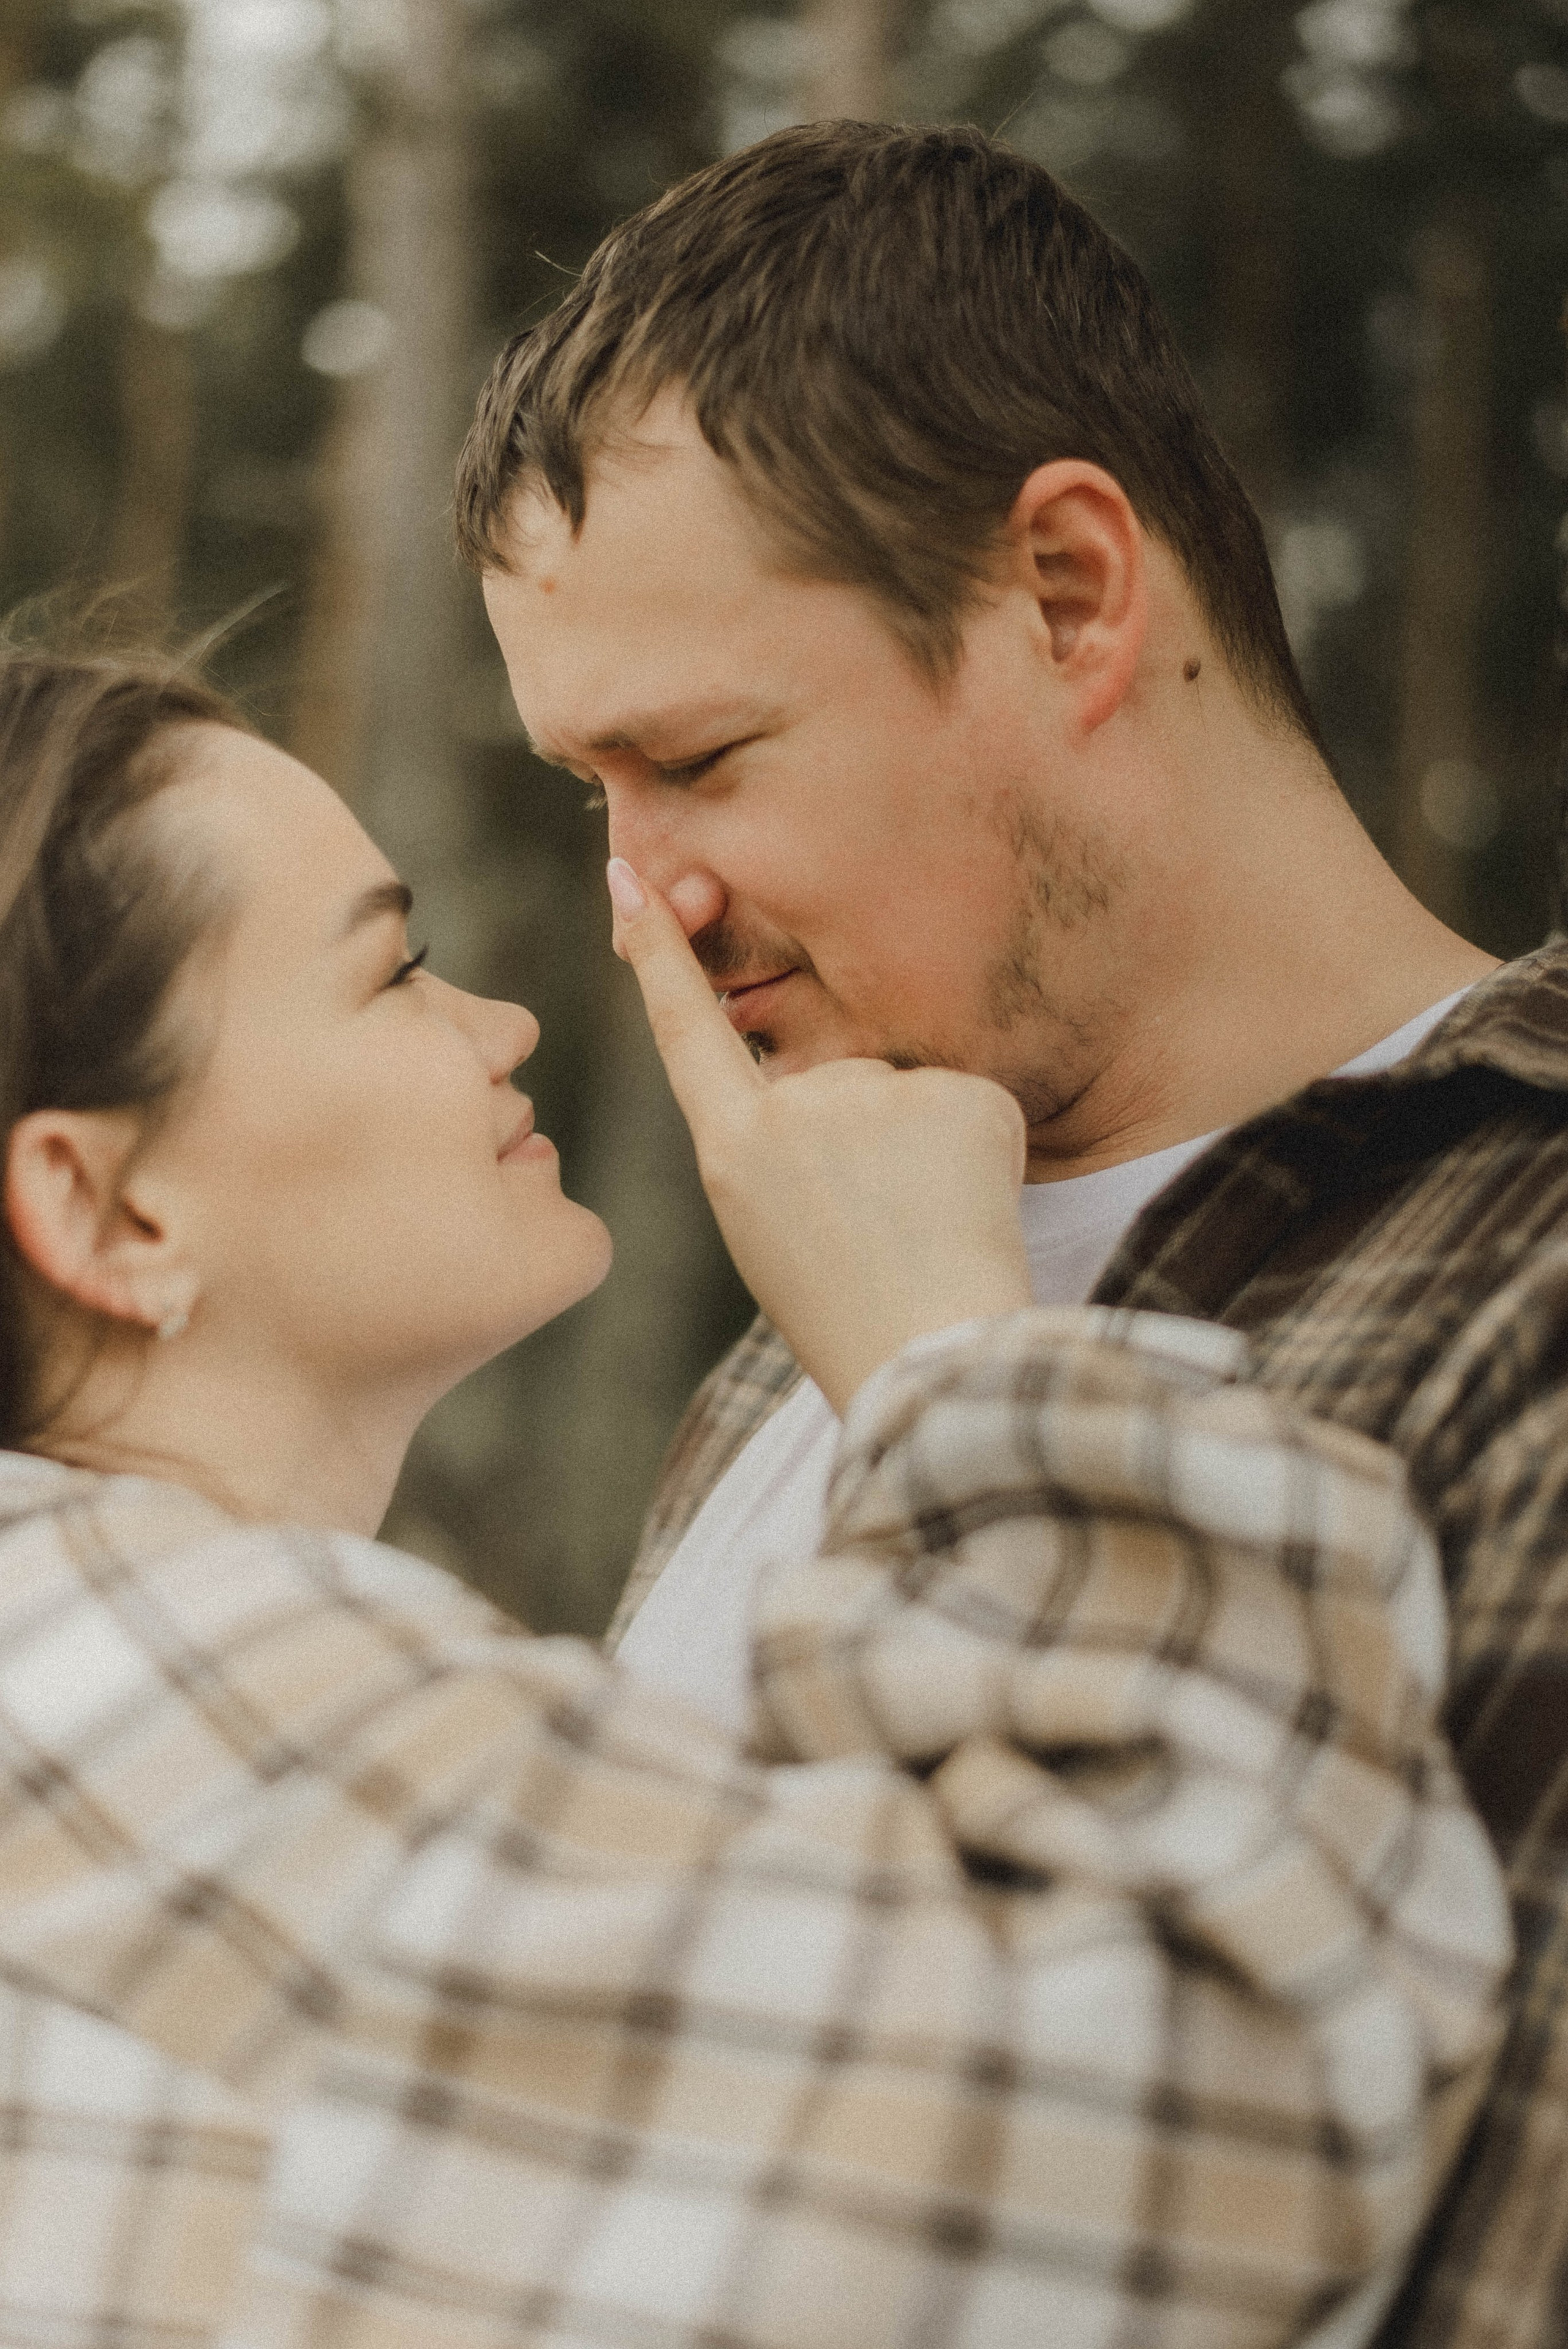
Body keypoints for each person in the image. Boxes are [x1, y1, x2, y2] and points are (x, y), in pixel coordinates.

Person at [0, 643, 1509, 2347]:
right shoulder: (173, 1712)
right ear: (110, 1211)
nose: (505, 1019)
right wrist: (959, 1353)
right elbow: (1219, 2110)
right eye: (394, 969)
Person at [457, 121, 1568, 2349]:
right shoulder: (798, 1334)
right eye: (592, 794)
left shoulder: (1529, 1262)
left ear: (1068, 592)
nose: (640, 901)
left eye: (700, 758)